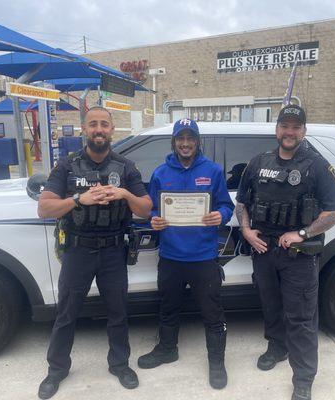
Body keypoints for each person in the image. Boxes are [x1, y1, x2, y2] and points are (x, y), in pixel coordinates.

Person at [37, 107, 152, 399]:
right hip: (78, 251)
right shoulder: (67, 165)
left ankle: (119, 364)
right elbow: (44, 208)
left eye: (104, 124)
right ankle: (57, 369)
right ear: (84, 130)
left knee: (118, 313)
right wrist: (79, 199)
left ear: (112, 129)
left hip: (114, 251)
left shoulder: (126, 167)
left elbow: (146, 208)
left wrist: (125, 194)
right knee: (66, 313)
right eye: (93, 125)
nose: (98, 129)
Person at [234, 104, 335, 400]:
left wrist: (302, 233)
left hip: (298, 254)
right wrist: (246, 231)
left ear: (304, 131)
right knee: (271, 307)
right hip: (264, 250)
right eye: (285, 126)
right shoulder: (259, 162)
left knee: (301, 319)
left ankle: (304, 378)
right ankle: (276, 348)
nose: (290, 131)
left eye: (296, 127)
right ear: (277, 130)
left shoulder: (317, 165)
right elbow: (243, 203)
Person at [137, 118, 234, 389]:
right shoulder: (160, 173)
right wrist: (154, 220)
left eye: (190, 138)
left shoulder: (212, 171)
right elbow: (153, 210)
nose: (185, 143)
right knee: (168, 307)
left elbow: (227, 206)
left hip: (203, 257)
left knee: (212, 312)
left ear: (197, 141)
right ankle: (168, 349)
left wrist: (220, 215)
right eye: (181, 138)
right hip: (170, 256)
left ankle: (216, 360)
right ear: (174, 141)